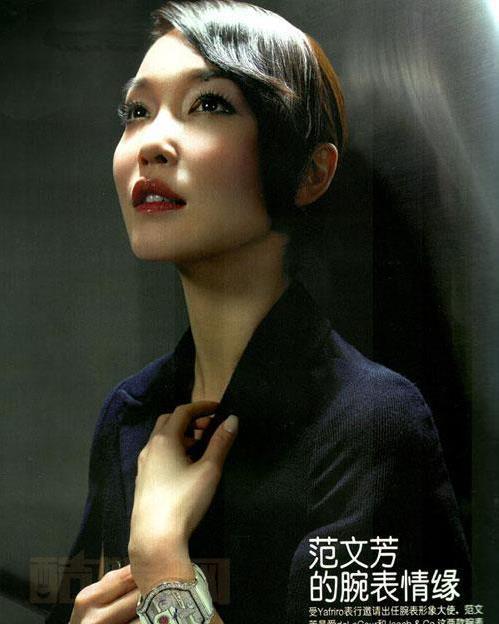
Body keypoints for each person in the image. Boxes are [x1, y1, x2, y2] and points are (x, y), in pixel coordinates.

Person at [47, 1, 470, 623]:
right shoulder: (130, 415)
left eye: (209, 104)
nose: (151, 143)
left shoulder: (374, 424)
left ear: (310, 172)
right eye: (137, 112)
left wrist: (163, 563)